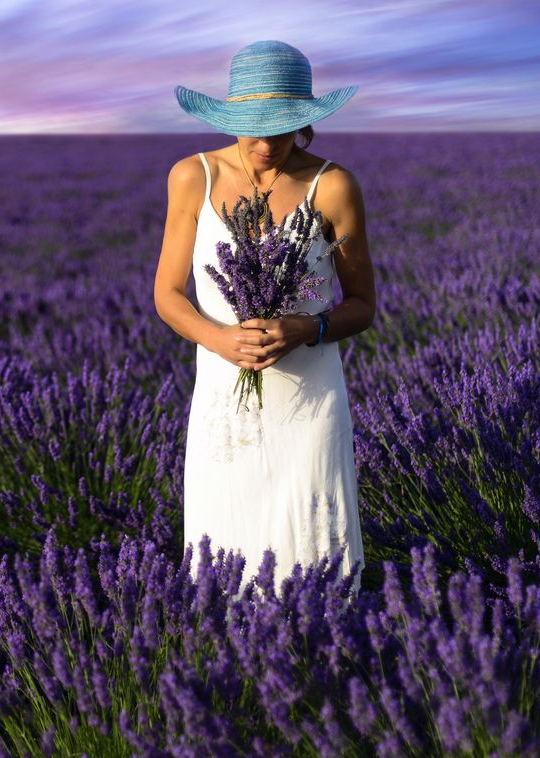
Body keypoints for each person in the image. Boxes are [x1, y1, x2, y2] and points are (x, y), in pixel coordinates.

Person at [153, 40, 375, 600]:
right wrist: (220, 340)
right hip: (224, 395)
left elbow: (362, 304)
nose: (264, 142)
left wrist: (308, 327)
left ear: (305, 122)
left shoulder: (334, 186)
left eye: (282, 127)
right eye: (252, 126)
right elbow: (167, 294)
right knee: (224, 547)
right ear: (229, 119)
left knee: (314, 543)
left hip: (309, 398)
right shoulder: (192, 177)